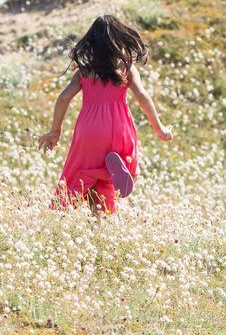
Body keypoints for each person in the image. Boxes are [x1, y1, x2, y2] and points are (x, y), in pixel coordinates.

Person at [38, 15, 173, 217]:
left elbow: (64, 98)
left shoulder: (83, 71)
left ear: (91, 42)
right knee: (125, 165)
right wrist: (159, 128)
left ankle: (96, 218)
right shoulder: (126, 67)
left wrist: (55, 130)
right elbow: (142, 96)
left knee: (88, 174)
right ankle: (120, 174)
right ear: (119, 39)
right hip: (118, 127)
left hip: (89, 130)